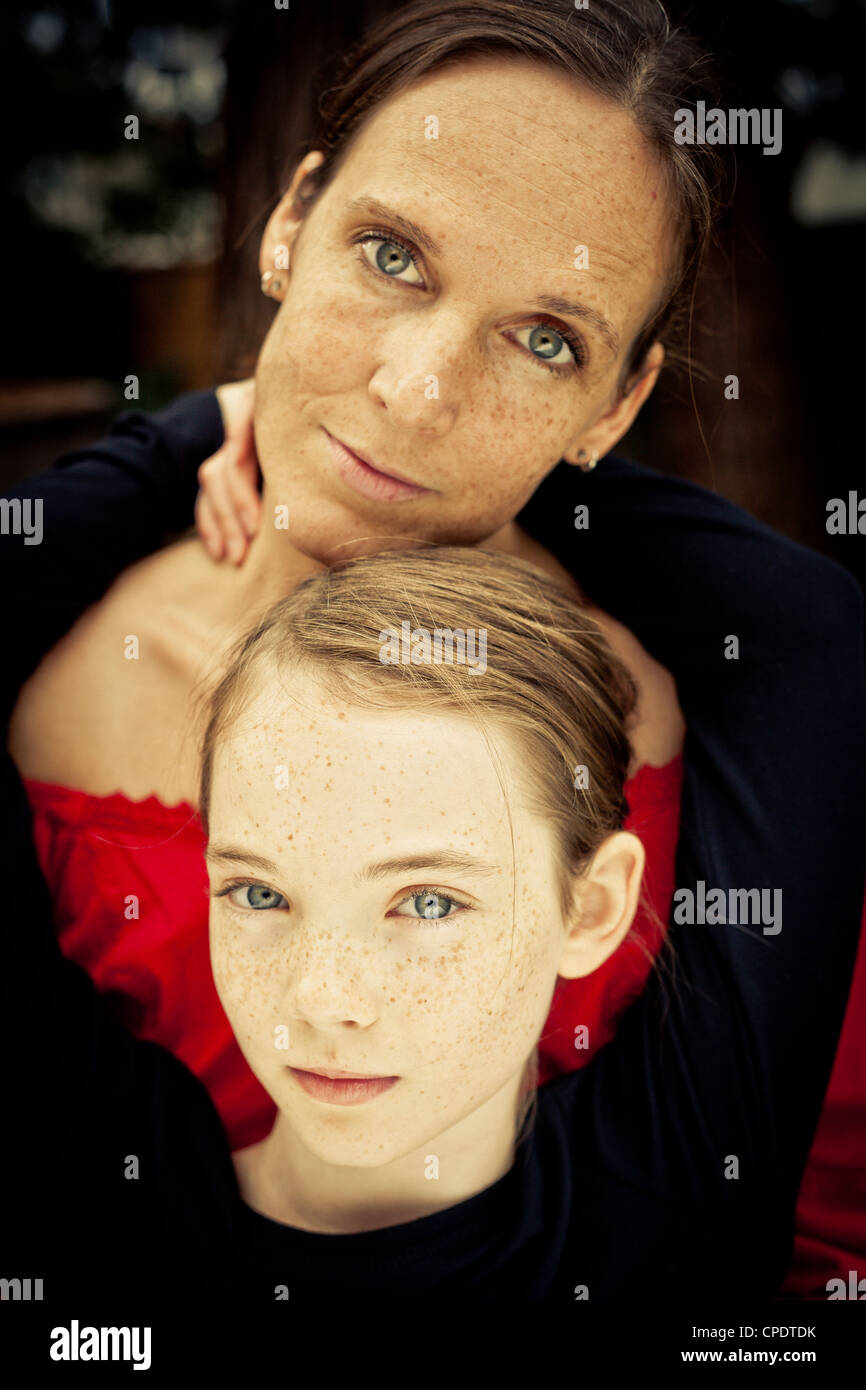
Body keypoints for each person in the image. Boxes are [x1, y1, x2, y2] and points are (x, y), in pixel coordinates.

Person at [3, 0, 865, 1294]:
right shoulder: (53, 685)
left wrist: (202, 431)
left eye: (545, 340)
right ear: (289, 225)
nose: (415, 387)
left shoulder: (725, 715)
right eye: (391, 254)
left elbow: (814, 1221)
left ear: (617, 402)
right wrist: (175, 442)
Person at [3, 531, 863, 1301]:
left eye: (426, 902)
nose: (325, 1001)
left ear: (591, 908)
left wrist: (537, 440)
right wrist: (233, 424)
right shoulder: (85, 1194)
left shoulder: (689, 1181)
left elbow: (808, 625)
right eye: (261, 893)